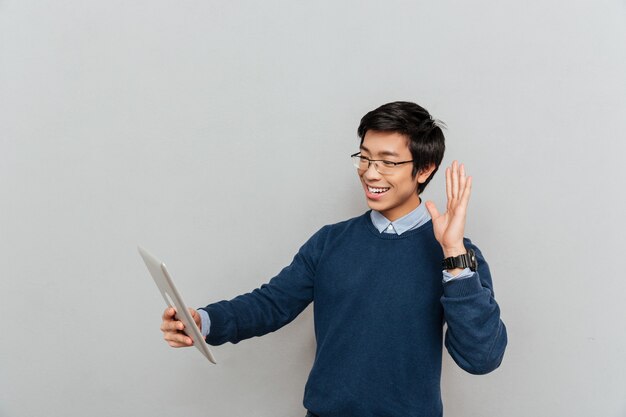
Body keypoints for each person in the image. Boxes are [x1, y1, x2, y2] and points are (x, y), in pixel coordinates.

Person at [160, 101, 507, 417]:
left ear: (424, 169)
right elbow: (271, 303)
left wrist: (452, 253)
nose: (371, 173)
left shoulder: (457, 255)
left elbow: (482, 358)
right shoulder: (331, 242)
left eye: (388, 162)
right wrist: (202, 321)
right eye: (365, 157)